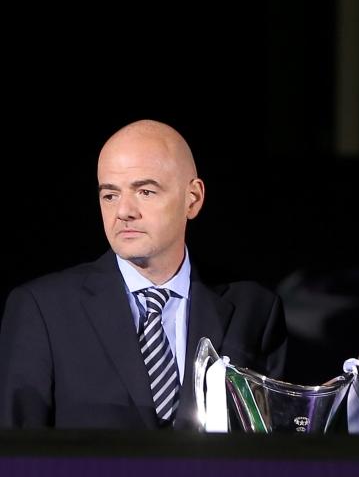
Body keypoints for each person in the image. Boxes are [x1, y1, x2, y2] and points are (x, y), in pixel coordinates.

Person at [0, 120, 287, 429]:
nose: (124, 211)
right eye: (110, 195)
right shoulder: (44, 310)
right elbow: (18, 449)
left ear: (193, 198)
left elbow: (273, 441)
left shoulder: (254, 310)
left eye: (145, 192)